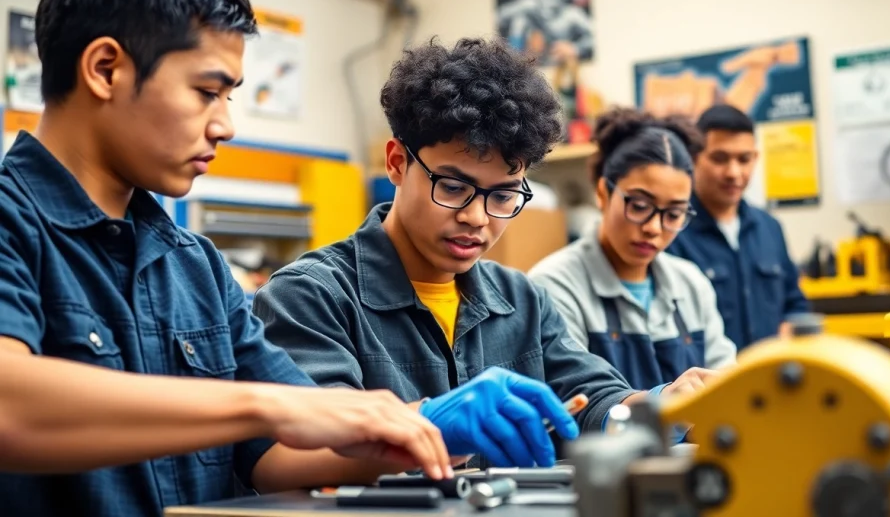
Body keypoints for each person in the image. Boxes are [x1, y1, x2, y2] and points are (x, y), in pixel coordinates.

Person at [0, 0, 453, 517]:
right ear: (105, 69)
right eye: (207, 92)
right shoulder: (13, 225)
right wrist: (261, 405)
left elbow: (281, 448)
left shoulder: (195, 266)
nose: (227, 126)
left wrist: (433, 430)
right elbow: (10, 408)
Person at [254, 38, 720, 479]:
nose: (477, 217)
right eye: (453, 188)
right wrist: (425, 426)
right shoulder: (312, 296)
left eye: (502, 196)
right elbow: (289, 455)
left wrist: (662, 405)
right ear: (397, 162)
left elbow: (593, 399)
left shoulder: (521, 300)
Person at [529, 108, 736, 390]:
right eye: (639, 206)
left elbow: (726, 386)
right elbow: (574, 401)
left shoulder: (691, 285)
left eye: (674, 214)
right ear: (603, 193)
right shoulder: (553, 286)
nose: (654, 227)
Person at [666, 104, 809, 350]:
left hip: (768, 379)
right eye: (720, 158)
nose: (734, 172)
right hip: (707, 384)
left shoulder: (770, 229)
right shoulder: (671, 232)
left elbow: (794, 304)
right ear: (693, 158)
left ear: (755, 158)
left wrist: (789, 333)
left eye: (744, 159)